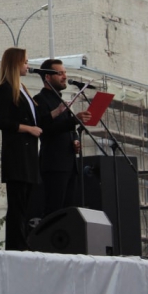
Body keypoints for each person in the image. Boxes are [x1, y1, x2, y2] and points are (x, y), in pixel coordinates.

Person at [0, 47, 41, 251]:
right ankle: (16, 245)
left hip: (28, 154)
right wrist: (28, 128)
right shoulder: (6, 89)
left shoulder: (22, 89)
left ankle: (23, 242)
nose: (28, 66)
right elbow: (1, 121)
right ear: (15, 64)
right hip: (17, 155)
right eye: (25, 62)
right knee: (17, 203)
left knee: (26, 203)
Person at [34, 58, 91, 217]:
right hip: (54, 163)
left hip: (70, 163)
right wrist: (74, 120)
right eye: (60, 73)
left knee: (68, 212)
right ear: (47, 77)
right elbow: (45, 128)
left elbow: (69, 128)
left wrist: (75, 139)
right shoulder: (40, 100)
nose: (65, 76)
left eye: (65, 73)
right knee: (54, 210)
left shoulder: (60, 99)